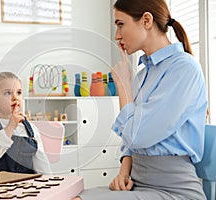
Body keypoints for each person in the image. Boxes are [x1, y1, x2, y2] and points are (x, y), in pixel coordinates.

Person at [74, 0, 207, 199]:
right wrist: (124, 170)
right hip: (136, 183)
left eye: (121, 24)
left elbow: (138, 135)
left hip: (175, 191)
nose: (117, 35)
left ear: (146, 20)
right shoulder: (142, 75)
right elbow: (132, 142)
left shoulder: (184, 69)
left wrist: (123, 87)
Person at [0, 71, 52, 175]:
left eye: (19, 92)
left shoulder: (30, 128)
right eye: (7, 93)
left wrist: (48, 183)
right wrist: (11, 126)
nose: (15, 97)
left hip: (27, 186)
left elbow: (41, 162)